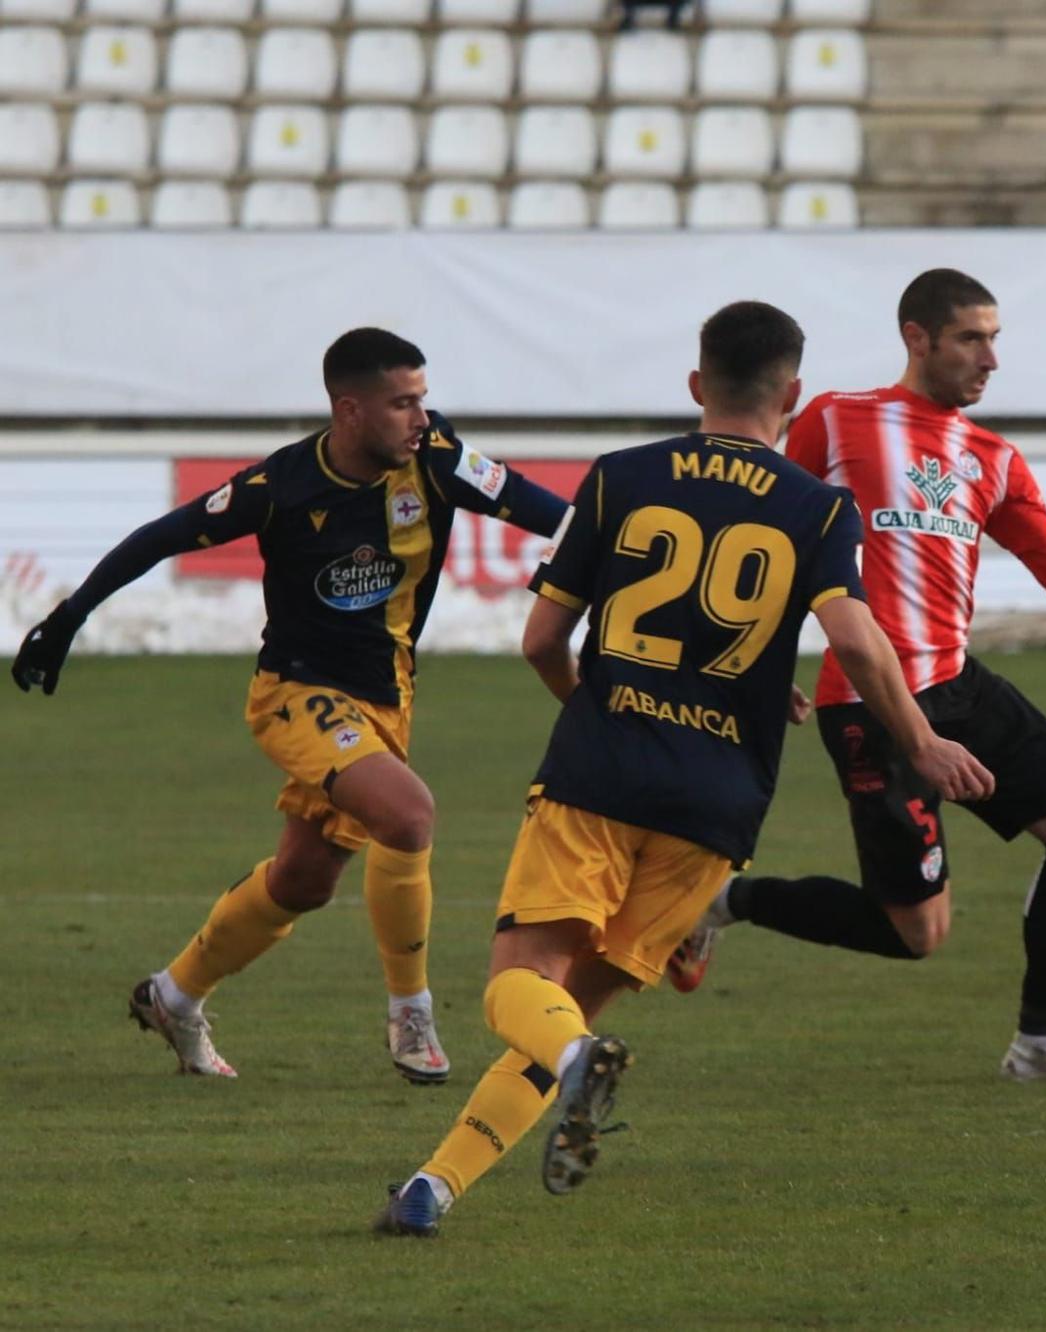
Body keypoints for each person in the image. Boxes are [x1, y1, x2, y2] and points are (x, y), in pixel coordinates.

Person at [373, 300, 992, 1238]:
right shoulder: (818, 507)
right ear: (791, 395)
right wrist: (922, 742)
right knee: (566, 1008)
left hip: (601, 774)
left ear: (697, 385)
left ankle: (576, 1070)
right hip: (719, 803)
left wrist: (600, 710)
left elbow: (543, 639)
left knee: (517, 988)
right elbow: (857, 646)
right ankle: (435, 1187)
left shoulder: (621, 479)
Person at [675, 268, 1046, 1085]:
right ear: (918, 337)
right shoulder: (835, 420)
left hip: (961, 684)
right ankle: (723, 904)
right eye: (972, 339)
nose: (990, 359)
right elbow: (766, 539)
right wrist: (750, 661)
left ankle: (1040, 1046)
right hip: (872, 702)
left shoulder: (993, 458)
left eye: (995, 339)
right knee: (916, 934)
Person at [9, 328, 569, 1084]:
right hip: (296, 695)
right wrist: (69, 616)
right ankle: (412, 1014)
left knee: (304, 881)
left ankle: (172, 995)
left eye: (423, 401)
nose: (420, 417)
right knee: (408, 815)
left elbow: (557, 517)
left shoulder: (438, 462)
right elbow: (160, 537)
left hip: (386, 702)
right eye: (403, 403)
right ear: (350, 410)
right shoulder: (281, 488)